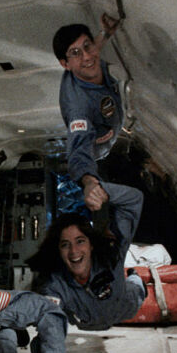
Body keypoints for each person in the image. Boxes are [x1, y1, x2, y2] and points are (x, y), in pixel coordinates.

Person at [27, 182, 145, 331]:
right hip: (86, 323)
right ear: (58, 250)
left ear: (91, 244)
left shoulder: (110, 257)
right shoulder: (55, 285)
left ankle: (134, 276)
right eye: (65, 244)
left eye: (80, 241)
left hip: (127, 305)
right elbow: (51, 324)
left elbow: (134, 200)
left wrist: (103, 191)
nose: (73, 251)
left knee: (136, 286)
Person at [52, 13, 122, 213]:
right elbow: (78, 153)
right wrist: (89, 182)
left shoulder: (87, 62)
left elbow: (91, 50)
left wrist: (105, 33)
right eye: (75, 53)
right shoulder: (79, 108)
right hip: (99, 146)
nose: (87, 56)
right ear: (65, 64)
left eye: (87, 46)